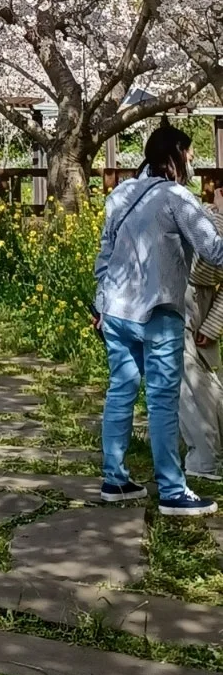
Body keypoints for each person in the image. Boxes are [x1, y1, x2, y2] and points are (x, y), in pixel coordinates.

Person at [94, 120, 223, 515]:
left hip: (116, 311)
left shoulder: (121, 193)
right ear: (175, 155)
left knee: (121, 391)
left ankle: (115, 479)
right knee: (163, 401)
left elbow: (105, 253)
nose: (192, 162)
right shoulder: (176, 198)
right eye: (190, 155)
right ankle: (172, 489)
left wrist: (100, 303)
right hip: (158, 312)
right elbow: (214, 251)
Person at [179, 203, 223, 479]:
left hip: (190, 293)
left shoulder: (207, 215)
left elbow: (201, 261)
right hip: (201, 297)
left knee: (188, 376)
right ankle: (208, 454)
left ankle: (204, 459)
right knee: (203, 373)